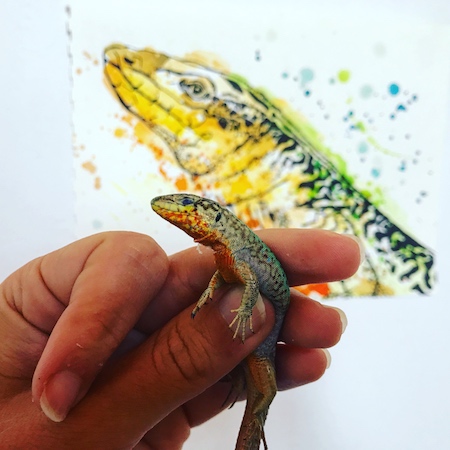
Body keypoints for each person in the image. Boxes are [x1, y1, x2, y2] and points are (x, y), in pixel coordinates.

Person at [0, 229, 362, 449]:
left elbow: (251, 283)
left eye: (188, 206)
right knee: (255, 394)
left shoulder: (236, 251)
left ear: (209, 216)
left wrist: (241, 312)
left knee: (262, 396)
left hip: (262, 353)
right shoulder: (225, 254)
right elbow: (224, 278)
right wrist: (208, 298)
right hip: (254, 353)